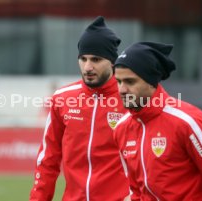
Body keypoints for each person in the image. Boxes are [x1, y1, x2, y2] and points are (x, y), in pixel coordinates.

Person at [29, 16, 130, 201]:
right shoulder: (62, 98)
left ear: (112, 62)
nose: (88, 67)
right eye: (83, 59)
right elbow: (47, 160)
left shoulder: (131, 99)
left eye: (96, 59)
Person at [113, 42, 202, 200]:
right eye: (118, 81)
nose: (122, 89)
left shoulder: (187, 121)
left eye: (130, 82)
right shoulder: (121, 129)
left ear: (151, 81)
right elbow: (136, 190)